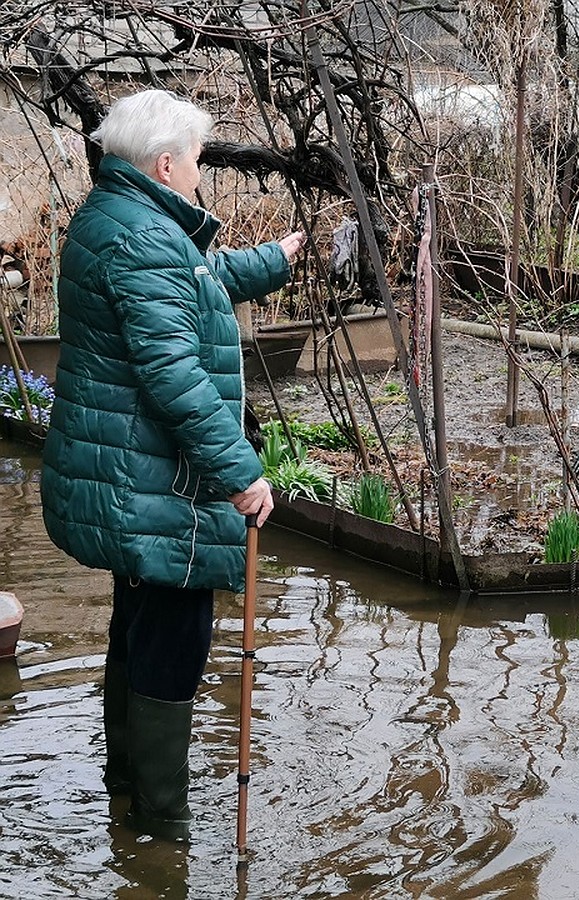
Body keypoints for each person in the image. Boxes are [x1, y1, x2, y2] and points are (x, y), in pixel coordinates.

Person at [41, 89, 305, 841]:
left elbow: (193, 284)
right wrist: (240, 473)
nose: (199, 170)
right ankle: (161, 829)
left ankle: (126, 790)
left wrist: (272, 261)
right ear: (165, 163)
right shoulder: (147, 238)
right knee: (171, 642)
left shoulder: (115, 219)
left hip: (126, 480)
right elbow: (174, 375)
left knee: (137, 627)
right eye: (195, 158)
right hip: (155, 484)